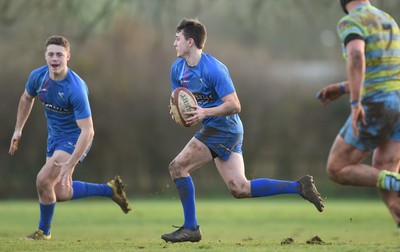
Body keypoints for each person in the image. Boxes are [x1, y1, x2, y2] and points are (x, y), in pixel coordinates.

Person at [162, 18, 324, 243]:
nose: (174, 43)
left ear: (190, 42)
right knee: (240, 188)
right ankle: (299, 186)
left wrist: (204, 113)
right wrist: (185, 116)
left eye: (177, 39)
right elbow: (181, 102)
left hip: (224, 128)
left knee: (178, 167)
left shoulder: (213, 69)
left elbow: (235, 105)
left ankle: (191, 227)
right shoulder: (177, 69)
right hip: (219, 129)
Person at [8, 36, 131, 240]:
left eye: (59, 54)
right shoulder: (38, 77)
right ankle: (110, 190)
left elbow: (88, 131)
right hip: (54, 138)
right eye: (51, 54)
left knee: (42, 180)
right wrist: (18, 129)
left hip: (76, 137)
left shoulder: (75, 88)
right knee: (60, 192)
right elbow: (26, 98)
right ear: (45, 56)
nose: (55, 58)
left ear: (68, 56)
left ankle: (43, 232)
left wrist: (71, 162)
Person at [317, 0, 400, 227]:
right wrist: (343, 88)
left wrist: (355, 103)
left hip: (379, 105)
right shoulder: (388, 20)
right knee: (384, 171)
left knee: (336, 167)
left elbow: (356, 57)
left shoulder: (351, 21)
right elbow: (383, 70)